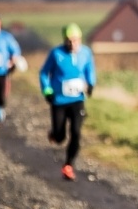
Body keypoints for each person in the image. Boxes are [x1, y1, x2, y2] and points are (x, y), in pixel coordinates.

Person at [39, 23, 96, 181]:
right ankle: (54, 134)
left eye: (76, 40)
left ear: (80, 39)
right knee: (60, 137)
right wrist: (47, 90)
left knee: (76, 133)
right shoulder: (56, 53)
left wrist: (90, 84)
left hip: (77, 100)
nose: (72, 44)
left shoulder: (86, 53)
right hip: (59, 100)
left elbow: (90, 70)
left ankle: (68, 165)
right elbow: (44, 73)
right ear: (64, 40)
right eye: (69, 40)